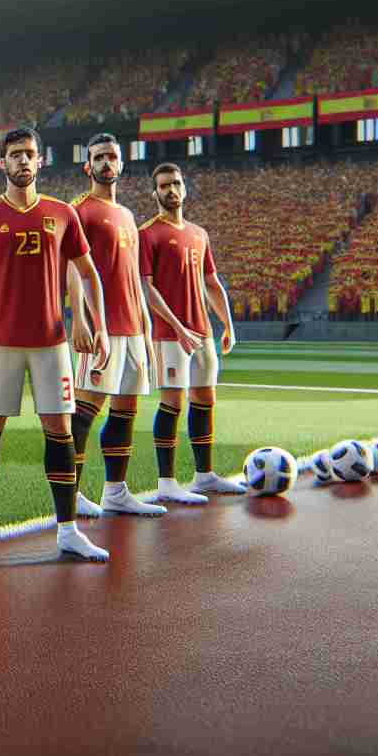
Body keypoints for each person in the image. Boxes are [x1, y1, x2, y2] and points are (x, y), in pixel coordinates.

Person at [0, 127, 113, 562]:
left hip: (51, 344)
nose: (23, 161)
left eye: (30, 154)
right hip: (0, 344)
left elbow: (88, 272)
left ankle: (67, 529)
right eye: (15, 155)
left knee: (60, 430)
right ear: (1, 163)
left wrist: (98, 324)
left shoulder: (63, 213)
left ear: (41, 161)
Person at [66, 134, 168, 517]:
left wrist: (147, 331)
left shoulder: (127, 215)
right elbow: (72, 269)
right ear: (87, 166)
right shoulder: (80, 210)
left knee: (125, 409)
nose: (107, 162)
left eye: (113, 156)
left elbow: (133, 280)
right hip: (101, 328)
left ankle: (116, 491)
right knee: (85, 410)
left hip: (132, 329)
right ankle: (71, 493)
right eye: (99, 157)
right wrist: (80, 318)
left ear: (122, 164)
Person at [138, 163, 243, 503]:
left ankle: (204, 476)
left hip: (202, 332)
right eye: (164, 185)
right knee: (173, 402)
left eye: (176, 184)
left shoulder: (199, 233)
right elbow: (145, 287)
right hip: (170, 336)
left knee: (205, 398)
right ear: (155, 193)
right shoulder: (148, 233)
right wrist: (178, 327)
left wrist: (226, 324)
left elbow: (211, 282)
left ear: (185, 189)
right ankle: (167, 482)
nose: (171, 190)